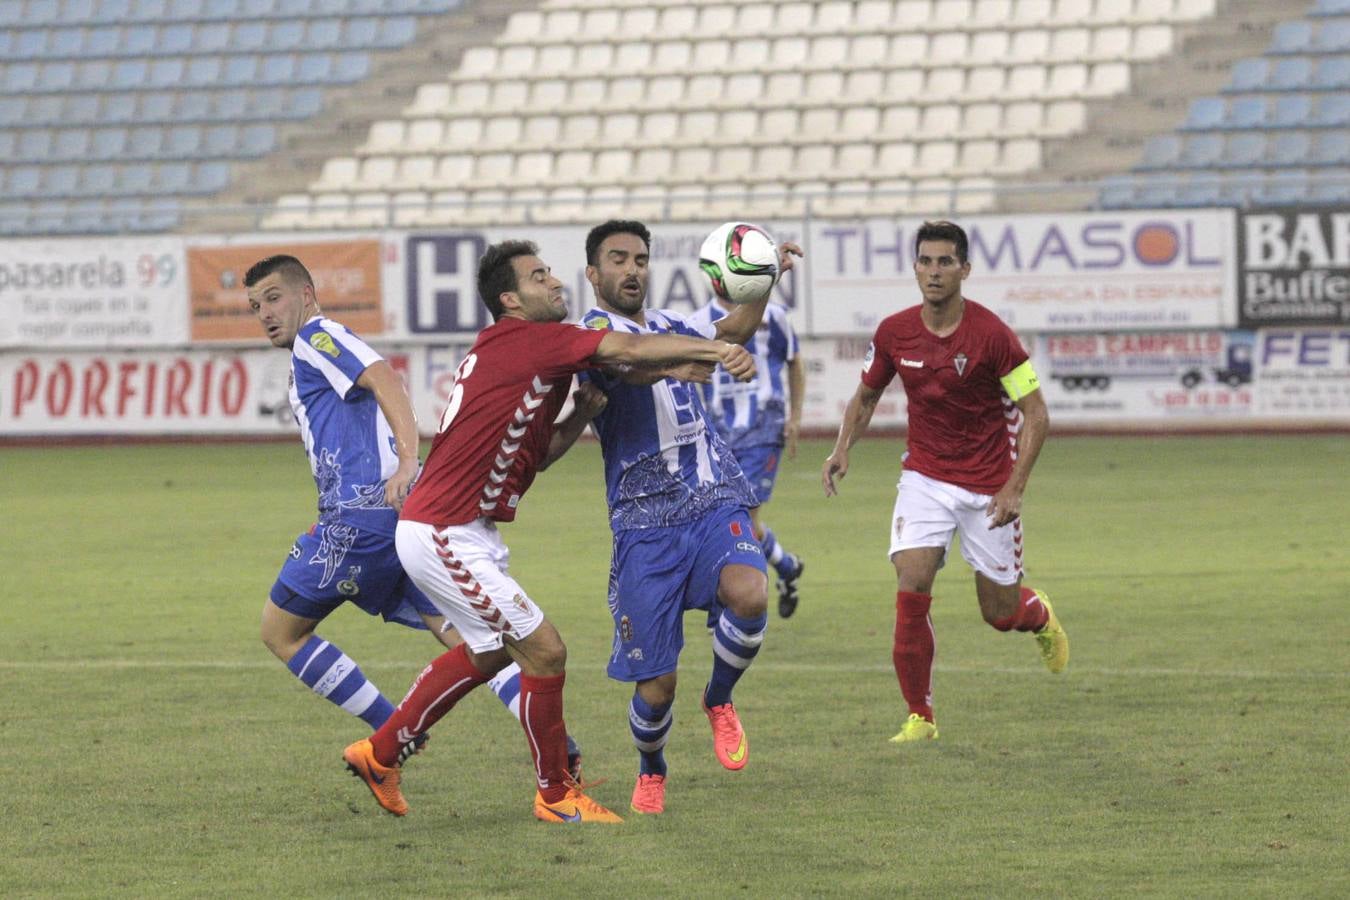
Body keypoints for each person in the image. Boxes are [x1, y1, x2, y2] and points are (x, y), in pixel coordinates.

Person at [340, 239, 756, 823]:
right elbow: (627, 347)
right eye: (540, 277)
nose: (555, 283)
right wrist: (711, 348)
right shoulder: (534, 340)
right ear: (511, 299)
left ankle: (379, 755)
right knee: (545, 650)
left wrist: (611, 398)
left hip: (463, 528)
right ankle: (556, 795)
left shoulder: (525, 351)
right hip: (443, 530)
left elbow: (545, 452)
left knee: (487, 654)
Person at [244, 255, 582, 770]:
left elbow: (384, 378)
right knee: (477, 638)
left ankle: (389, 730)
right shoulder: (311, 350)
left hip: (359, 521)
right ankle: (563, 753)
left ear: (307, 294)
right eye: (255, 306)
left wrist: (406, 457)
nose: (265, 313)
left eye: (273, 297)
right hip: (407, 518)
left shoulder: (319, 336)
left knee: (280, 631)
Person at [579, 219, 802, 816]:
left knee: (750, 594)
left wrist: (765, 276)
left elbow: (733, 327)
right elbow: (624, 364)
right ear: (593, 274)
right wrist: (693, 358)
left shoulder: (673, 325)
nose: (633, 269)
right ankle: (652, 765)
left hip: (710, 496)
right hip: (643, 523)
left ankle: (720, 699)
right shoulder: (591, 333)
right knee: (655, 691)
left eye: (641, 259)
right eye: (618, 259)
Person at [821, 220, 1069, 745]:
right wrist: (843, 448)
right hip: (925, 478)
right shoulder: (894, 332)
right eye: (926, 262)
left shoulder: (993, 335)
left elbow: (1036, 413)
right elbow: (866, 397)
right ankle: (920, 716)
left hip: (988, 486)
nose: (934, 272)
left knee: (998, 614)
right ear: (915, 267)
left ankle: (1038, 614)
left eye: (945, 262)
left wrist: (1015, 487)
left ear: (964, 270)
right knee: (911, 582)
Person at [687, 292, 806, 618]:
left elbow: (795, 361)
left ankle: (730, 605)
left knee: (743, 523)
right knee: (725, 522)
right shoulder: (699, 322)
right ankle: (786, 565)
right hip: (719, 435)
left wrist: (794, 417)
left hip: (763, 431)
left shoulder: (776, 315)